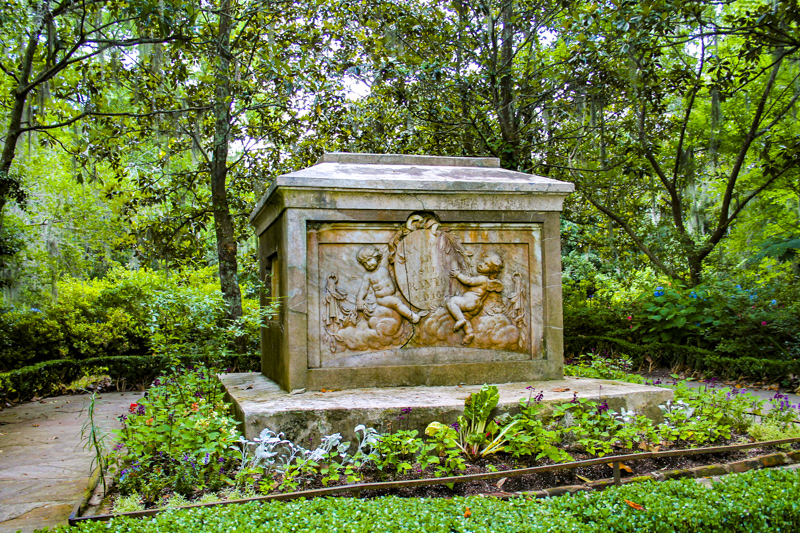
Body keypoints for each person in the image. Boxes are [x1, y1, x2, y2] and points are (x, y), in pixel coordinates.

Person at [355, 245, 424, 324]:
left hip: (393, 294)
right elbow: (363, 289)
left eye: (369, 260)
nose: (368, 264)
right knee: (396, 302)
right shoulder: (368, 275)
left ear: (376, 257)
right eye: (365, 263)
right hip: (382, 299)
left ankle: (417, 309)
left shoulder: (383, 267)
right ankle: (411, 316)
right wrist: (359, 300)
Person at [446, 252, 504, 344]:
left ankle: (460, 319)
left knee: (451, 302)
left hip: (469, 301)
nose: (481, 264)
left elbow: (469, 281)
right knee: (467, 319)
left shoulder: (482, 279)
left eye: (486, 265)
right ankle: (469, 333)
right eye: (482, 261)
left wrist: (458, 275)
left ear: (491, 270)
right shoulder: (488, 282)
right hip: (477, 307)